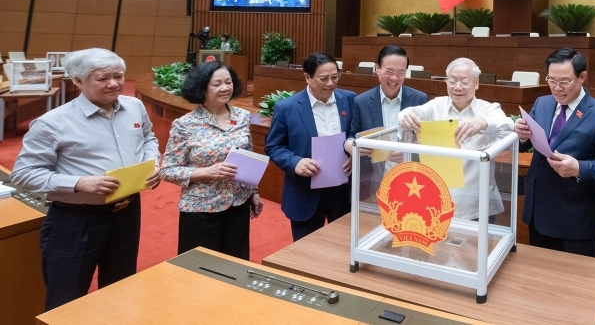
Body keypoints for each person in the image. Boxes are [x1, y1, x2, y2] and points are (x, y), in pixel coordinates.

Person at [10, 48, 161, 310]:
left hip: (127, 213)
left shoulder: (134, 106)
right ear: (78, 81)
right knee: (67, 299)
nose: (114, 84)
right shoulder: (52, 123)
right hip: (75, 220)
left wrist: (152, 162)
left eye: (118, 76)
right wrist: (79, 183)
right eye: (103, 78)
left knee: (121, 291)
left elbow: (149, 137)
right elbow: (23, 174)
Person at [513, 48, 595, 257]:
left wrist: (579, 168)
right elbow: (526, 144)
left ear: (582, 77)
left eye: (564, 81)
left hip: (574, 219)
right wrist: (521, 136)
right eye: (551, 80)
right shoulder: (542, 103)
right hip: (538, 212)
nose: (557, 88)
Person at [160, 61, 262, 259]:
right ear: (201, 87)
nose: (225, 88)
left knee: (235, 264)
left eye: (228, 82)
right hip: (201, 208)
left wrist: (254, 192)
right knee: (200, 268)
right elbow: (168, 170)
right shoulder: (185, 124)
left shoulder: (242, 116)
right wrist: (208, 172)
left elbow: (248, 156)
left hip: (238, 205)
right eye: (217, 84)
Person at [398, 57, 512, 221]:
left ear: (476, 83)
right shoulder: (437, 105)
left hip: (475, 204)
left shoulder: (488, 109)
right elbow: (410, 113)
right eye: (452, 82)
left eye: (464, 82)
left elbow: (508, 125)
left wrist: (482, 122)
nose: (457, 87)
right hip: (438, 200)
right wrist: (405, 116)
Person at [265, 52, 357, 241]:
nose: (330, 83)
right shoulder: (287, 108)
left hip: (343, 191)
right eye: (324, 78)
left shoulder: (350, 99)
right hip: (305, 192)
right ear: (307, 77)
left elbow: (357, 133)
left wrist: (353, 153)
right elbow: (273, 146)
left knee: (344, 247)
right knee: (306, 249)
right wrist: (295, 163)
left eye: (335, 77)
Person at [351, 45, 429, 177]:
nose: (394, 78)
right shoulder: (361, 101)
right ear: (377, 68)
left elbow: (429, 142)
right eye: (389, 72)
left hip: (410, 178)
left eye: (401, 73)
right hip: (373, 179)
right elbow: (353, 136)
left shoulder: (420, 99)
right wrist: (350, 143)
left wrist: (410, 154)